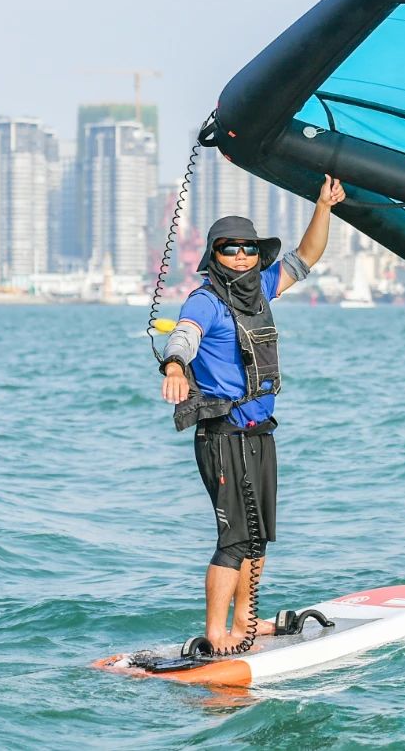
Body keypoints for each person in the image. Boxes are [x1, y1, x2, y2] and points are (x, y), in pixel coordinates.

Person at [160, 174, 346, 652]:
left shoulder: (261, 287)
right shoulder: (205, 301)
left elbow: (306, 258)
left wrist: (323, 206)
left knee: (258, 536)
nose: (241, 256)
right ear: (214, 255)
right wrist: (175, 365)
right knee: (235, 538)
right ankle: (216, 632)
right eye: (230, 248)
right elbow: (184, 334)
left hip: (260, 432)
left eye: (248, 248)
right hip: (223, 435)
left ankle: (245, 620)